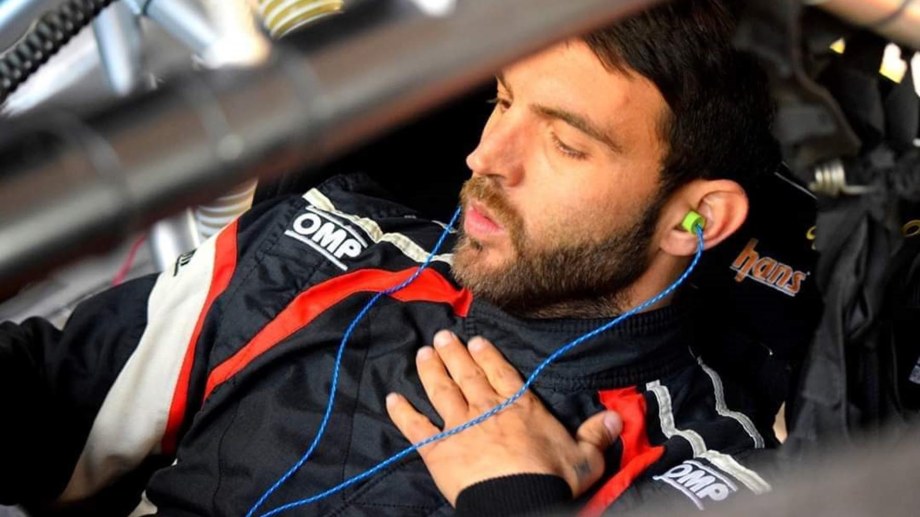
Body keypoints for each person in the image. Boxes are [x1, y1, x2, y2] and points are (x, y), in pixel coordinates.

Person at [0, 0, 782, 515]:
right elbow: (53, 403)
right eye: (502, 100)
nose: (485, 157)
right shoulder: (319, 244)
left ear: (695, 219)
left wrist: (515, 501)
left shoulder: (721, 471)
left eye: (564, 143)